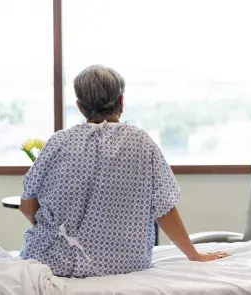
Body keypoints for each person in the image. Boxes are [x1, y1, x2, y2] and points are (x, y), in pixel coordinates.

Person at [19, 65, 229, 278]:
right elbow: (164, 209)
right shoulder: (141, 142)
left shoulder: (59, 142)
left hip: (55, 264)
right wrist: (194, 255)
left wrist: (57, 232)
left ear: (80, 106)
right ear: (121, 102)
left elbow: (27, 206)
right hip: (125, 265)